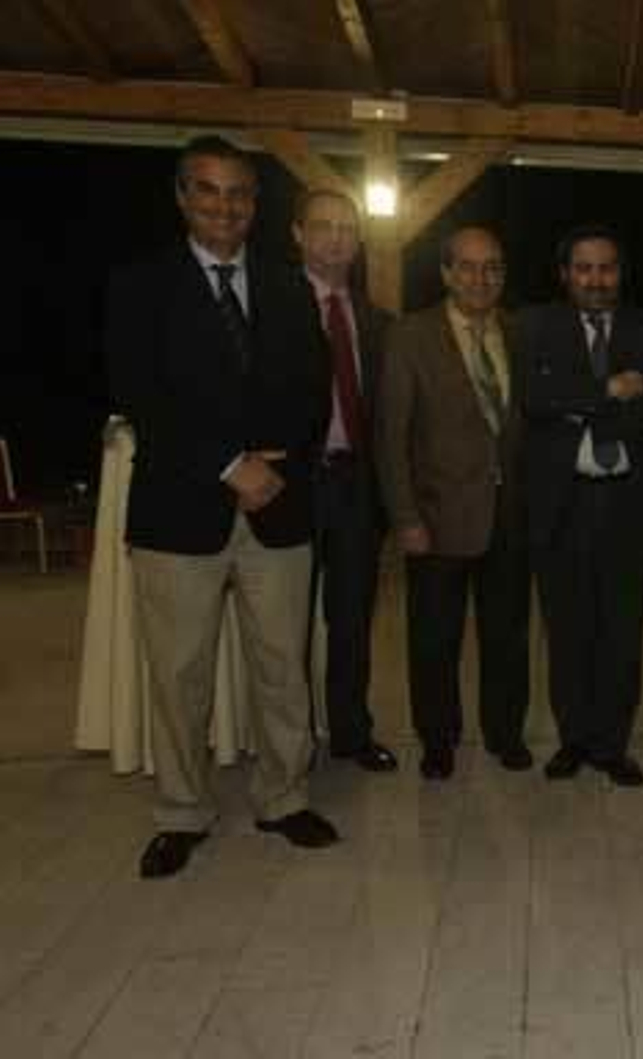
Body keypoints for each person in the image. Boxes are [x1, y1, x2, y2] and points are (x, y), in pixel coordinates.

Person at [107, 135, 339, 879]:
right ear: (182, 196)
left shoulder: (285, 284)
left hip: (279, 504)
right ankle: (181, 811)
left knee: (283, 664)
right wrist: (228, 464)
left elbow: (313, 382)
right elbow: (143, 391)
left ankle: (285, 796)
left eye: (238, 193)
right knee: (179, 673)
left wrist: (277, 459)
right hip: (179, 513)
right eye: (208, 190)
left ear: (254, 204)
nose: (225, 206)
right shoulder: (140, 285)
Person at [518, 224, 643, 788]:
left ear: (620, 273)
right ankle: (573, 741)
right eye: (583, 268)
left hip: (628, 507)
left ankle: (612, 746)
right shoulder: (534, 327)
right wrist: (607, 393)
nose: (595, 278)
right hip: (562, 505)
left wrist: (574, 403)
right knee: (566, 633)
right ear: (565, 275)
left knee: (621, 632)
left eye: (606, 267)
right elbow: (533, 401)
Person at [377, 226, 531, 780]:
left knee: (508, 637)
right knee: (434, 640)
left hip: (511, 517)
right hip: (436, 518)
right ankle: (438, 741)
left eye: (491, 267)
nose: (480, 278)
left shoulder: (520, 331)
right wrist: (405, 518)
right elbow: (391, 436)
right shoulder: (410, 336)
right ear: (445, 273)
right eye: (466, 266)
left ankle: (505, 734)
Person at [291, 188, 396, 772]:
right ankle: (292, 742)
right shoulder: (276, 308)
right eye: (323, 227)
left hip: (357, 487)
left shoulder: (377, 320)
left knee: (352, 622)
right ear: (298, 234)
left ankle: (352, 734)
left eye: (346, 229)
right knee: (286, 628)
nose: (336, 238)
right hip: (295, 488)